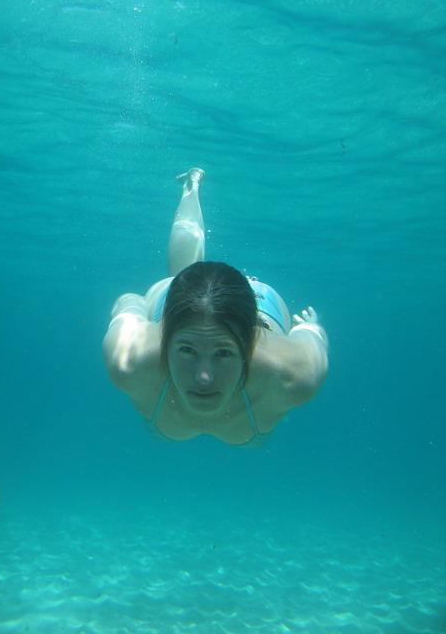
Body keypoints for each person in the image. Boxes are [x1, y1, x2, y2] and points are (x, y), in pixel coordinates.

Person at [102, 168, 328, 445]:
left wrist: (308, 325)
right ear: (163, 338)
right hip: (171, 305)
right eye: (186, 351)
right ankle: (190, 187)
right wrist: (133, 301)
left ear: (249, 347)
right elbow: (129, 304)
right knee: (182, 280)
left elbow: (311, 339)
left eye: (223, 353)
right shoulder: (129, 359)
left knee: (186, 283)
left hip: (263, 305)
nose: (204, 377)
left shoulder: (293, 373)